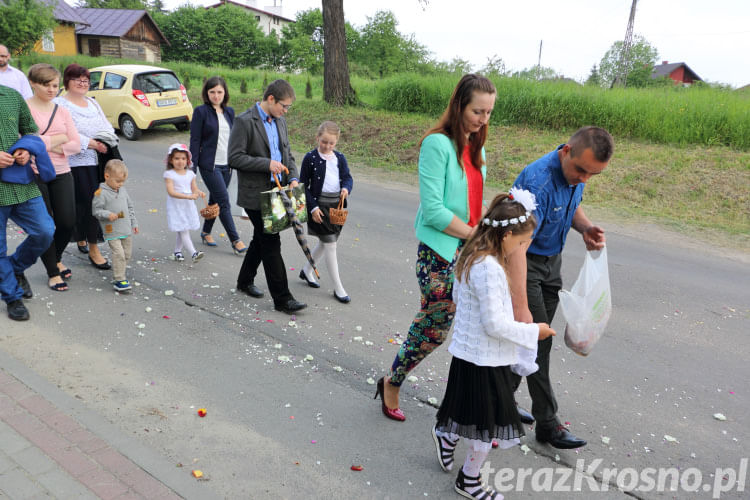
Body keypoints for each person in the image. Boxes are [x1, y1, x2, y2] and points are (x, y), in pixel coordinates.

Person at [375, 74, 495, 422]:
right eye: (477, 111)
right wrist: (473, 233)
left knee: (476, 325)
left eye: (489, 112)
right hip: (439, 251)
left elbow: (471, 199)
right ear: (459, 105)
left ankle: (467, 403)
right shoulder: (436, 144)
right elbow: (434, 210)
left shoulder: (476, 146)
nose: (483, 119)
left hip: (470, 249)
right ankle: (392, 382)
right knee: (435, 328)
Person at [432, 190, 555, 500]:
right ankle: (469, 480)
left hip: (475, 354)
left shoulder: (477, 255)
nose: (522, 249)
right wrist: (533, 332)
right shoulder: (487, 268)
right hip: (482, 358)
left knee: (467, 411)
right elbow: (495, 325)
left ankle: (446, 436)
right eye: (522, 243)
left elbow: (462, 301)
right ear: (507, 234)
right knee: (488, 425)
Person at [507, 126, 614, 449]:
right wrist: (522, 304)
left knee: (527, 342)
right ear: (566, 151)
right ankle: (548, 424)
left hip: (551, 263)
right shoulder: (538, 181)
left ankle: (501, 399)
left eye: (593, 175)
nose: (584, 179)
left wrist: (584, 228)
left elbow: (573, 204)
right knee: (537, 342)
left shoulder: (575, 177)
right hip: (525, 264)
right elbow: (515, 247)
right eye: (581, 170)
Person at [228, 79, 306, 315]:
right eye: (284, 106)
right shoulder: (244, 121)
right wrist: (266, 164)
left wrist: (293, 176)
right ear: (271, 99)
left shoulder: (280, 121)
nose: (286, 111)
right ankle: (283, 299)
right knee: (271, 242)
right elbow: (234, 158)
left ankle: (244, 281)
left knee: (260, 239)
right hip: (254, 194)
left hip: (278, 191)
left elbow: (287, 153)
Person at [0, 84, 55, 320]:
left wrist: (25, 149)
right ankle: (12, 296)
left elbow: (32, 132)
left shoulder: (11, 96)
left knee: (45, 231)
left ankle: (15, 268)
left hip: (21, 183)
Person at [26, 63, 79, 292]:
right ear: (33, 84)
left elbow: (76, 144)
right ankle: (52, 271)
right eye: (45, 85)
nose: (51, 90)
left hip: (62, 171)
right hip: (33, 173)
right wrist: (58, 139)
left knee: (67, 222)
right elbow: (28, 142)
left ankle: (55, 257)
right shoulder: (24, 109)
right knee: (46, 223)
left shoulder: (62, 111)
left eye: (55, 85)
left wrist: (46, 144)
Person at [54, 63, 113, 270]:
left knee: (94, 206)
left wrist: (109, 140)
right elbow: (61, 133)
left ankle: (92, 246)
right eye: (77, 79)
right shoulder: (59, 104)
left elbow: (106, 126)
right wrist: (90, 143)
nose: (82, 83)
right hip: (70, 164)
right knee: (75, 208)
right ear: (67, 81)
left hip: (96, 162)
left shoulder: (92, 103)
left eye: (86, 80)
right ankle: (60, 254)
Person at [189, 76, 246, 255]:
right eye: (212, 92)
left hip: (227, 165)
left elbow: (234, 139)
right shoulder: (200, 112)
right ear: (207, 93)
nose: (216, 95)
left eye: (219, 92)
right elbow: (195, 140)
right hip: (210, 165)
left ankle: (206, 232)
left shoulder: (229, 112)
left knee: (215, 199)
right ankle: (235, 240)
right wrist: (192, 169)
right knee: (224, 202)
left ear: (224, 93)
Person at [298, 121, 353, 303]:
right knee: (330, 245)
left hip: (336, 207)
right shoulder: (310, 158)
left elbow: (347, 177)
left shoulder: (340, 158)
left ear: (336, 142)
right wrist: (312, 207)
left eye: (331, 143)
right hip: (319, 207)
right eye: (324, 142)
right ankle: (338, 288)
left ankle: (307, 270)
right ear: (317, 138)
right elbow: (303, 186)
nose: (327, 146)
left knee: (326, 242)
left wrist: (345, 188)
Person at [92, 160, 138, 291]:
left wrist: (134, 223)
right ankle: (119, 279)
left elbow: (130, 207)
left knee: (127, 254)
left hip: (125, 228)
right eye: (118, 181)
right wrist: (107, 214)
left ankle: (120, 272)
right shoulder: (100, 193)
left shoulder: (122, 190)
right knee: (119, 253)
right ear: (107, 176)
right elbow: (96, 211)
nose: (120, 184)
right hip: (111, 229)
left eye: (123, 181)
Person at [163, 143, 205, 263]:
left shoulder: (190, 174)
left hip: (187, 205)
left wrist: (199, 192)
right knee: (184, 230)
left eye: (183, 158)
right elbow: (171, 192)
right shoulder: (169, 174)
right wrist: (188, 196)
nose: (180, 161)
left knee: (182, 229)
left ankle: (177, 251)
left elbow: (194, 188)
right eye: (177, 158)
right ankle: (193, 253)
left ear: (187, 160)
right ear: (171, 160)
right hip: (176, 206)